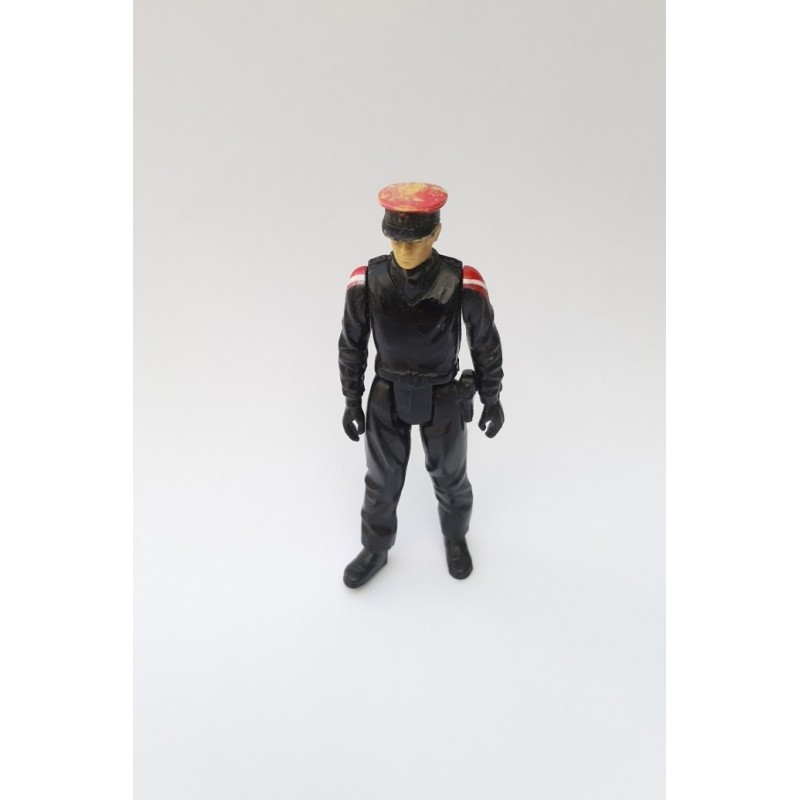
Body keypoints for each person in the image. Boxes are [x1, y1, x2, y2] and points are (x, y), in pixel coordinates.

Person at [338, 182, 504, 588]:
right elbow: (352, 344)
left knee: (450, 476)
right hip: (387, 391)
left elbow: (485, 343)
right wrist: (352, 399)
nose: (404, 249)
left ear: (436, 233)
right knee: (381, 479)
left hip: (443, 392)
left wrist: (491, 397)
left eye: (414, 240)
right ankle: (375, 548)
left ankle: (455, 537)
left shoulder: (461, 281)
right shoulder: (368, 280)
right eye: (396, 239)